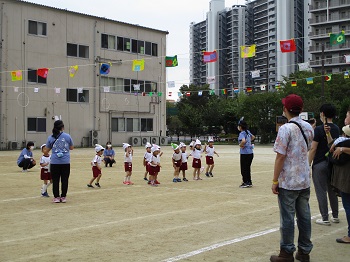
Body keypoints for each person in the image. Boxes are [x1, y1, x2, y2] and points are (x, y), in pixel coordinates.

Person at [270, 94, 314, 262]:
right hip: (304, 179)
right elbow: (308, 148)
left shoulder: (285, 129)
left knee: (287, 218)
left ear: (285, 109)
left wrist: (275, 180)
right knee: (304, 216)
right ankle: (304, 251)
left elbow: (280, 157)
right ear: (301, 110)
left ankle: (286, 252)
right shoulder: (308, 127)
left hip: (288, 181)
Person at [308, 104, 340, 226]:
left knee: (321, 191)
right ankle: (335, 215)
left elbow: (313, 149)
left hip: (320, 163)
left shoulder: (319, 129)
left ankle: (325, 217)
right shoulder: (337, 128)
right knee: (332, 190)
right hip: (332, 164)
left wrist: (308, 164)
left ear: (323, 114)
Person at [331, 109, 350, 244]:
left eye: (347, 116)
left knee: (348, 205)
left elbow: (332, 148)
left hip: (347, 177)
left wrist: (342, 149)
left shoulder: (344, 142)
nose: (345, 118)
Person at [44, 120, 74, 203]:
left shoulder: (50, 137)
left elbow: (46, 150)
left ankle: (56, 197)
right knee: (65, 180)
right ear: (62, 127)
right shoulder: (67, 136)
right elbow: (71, 147)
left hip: (54, 162)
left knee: (55, 180)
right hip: (65, 162)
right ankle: (63, 196)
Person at [238, 119, 255, 188]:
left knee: (243, 168)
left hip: (244, 153)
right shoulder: (247, 132)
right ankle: (249, 181)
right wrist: (249, 142)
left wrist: (241, 145)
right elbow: (253, 137)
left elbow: (243, 140)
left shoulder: (242, 133)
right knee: (248, 168)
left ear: (240, 127)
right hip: (250, 153)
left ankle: (245, 182)